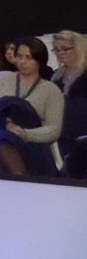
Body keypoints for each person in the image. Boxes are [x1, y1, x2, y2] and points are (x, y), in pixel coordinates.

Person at [0, 37, 64, 176]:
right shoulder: (0, 78)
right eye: (19, 56)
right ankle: (22, 182)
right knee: (0, 138)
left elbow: (54, 129)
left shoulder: (51, 90)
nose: (22, 61)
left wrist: (25, 134)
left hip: (30, 141)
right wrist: (6, 124)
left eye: (28, 57)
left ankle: (17, 183)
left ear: (40, 61)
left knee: (4, 146)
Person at [50, 30, 87, 162]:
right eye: (57, 50)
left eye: (65, 49)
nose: (60, 53)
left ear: (78, 48)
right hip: (63, 136)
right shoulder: (55, 77)